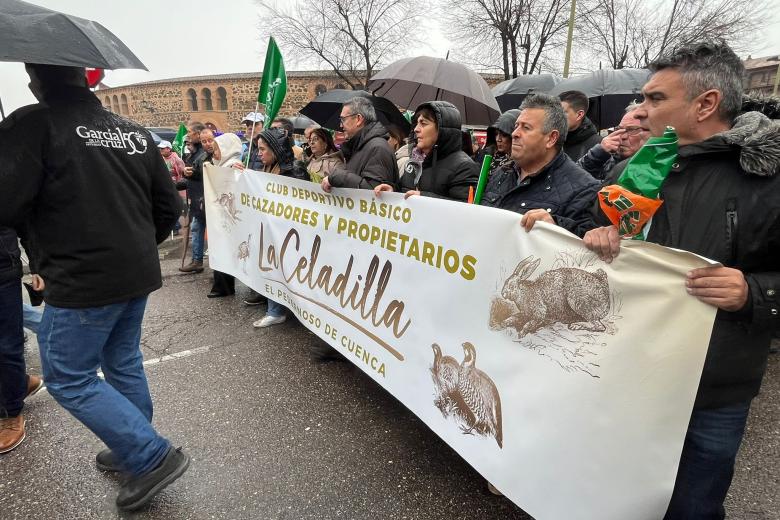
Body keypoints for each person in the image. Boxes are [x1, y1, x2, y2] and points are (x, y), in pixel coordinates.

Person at [582, 41, 780, 520]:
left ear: (706, 103)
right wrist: (594, 233)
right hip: (628, 371)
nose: (640, 111)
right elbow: (597, 226)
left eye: (654, 99)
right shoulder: (635, 168)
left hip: (712, 390)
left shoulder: (767, 178)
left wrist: (753, 293)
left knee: (693, 506)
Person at [0, 64, 188, 510]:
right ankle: (133, 442)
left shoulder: (34, 123)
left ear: (36, 82)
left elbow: (5, 205)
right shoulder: (132, 131)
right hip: (135, 272)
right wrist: (137, 247)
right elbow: (168, 205)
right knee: (121, 361)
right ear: (84, 80)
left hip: (82, 278)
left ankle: (148, 454)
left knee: (67, 377)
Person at [480, 93, 601, 238]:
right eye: (516, 126)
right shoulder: (501, 173)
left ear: (551, 138)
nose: (514, 134)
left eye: (526, 128)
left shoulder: (583, 190)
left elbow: (585, 246)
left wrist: (556, 226)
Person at [251, 127, 308, 328]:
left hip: (291, 234)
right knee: (273, 268)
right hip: (273, 232)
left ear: (275, 150)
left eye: (263, 149)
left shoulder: (295, 171)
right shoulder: (266, 169)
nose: (259, 153)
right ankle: (275, 310)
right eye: (258, 149)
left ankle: (293, 310)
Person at [374, 101, 478, 201]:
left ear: (442, 129)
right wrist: (393, 191)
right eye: (416, 123)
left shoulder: (464, 167)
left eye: (423, 123)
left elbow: (465, 209)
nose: (416, 129)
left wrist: (424, 198)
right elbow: (405, 191)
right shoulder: (415, 160)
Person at [0, 226, 43, 453]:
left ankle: (11, 412)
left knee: (7, 346)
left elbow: (25, 217)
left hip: (2, 269)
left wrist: (37, 266)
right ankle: (19, 383)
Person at [320, 97, 399, 192]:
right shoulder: (360, 146)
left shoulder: (378, 148)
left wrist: (339, 177)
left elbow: (374, 194)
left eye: (343, 119)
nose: (341, 125)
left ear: (358, 119)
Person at [207, 133, 245, 298]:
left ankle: (224, 287)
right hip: (222, 214)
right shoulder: (221, 164)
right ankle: (222, 286)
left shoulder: (234, 165)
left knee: (225, 249)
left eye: (217, 149)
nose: (214, 153)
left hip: (229, 215)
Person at [577, 103, 650, 181]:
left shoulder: (656, 170)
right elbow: (575, 179)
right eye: (619, 129)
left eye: (632, 130)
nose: (622, 136)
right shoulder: (608, 158)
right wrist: (597, 154)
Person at [180, 122, 209, 273]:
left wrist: (190, 173)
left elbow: (204, 173)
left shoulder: (203, 154)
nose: (188, 136)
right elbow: (191, 176)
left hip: (204, 199)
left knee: (204, 229)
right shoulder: (194, 154)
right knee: (197, 228)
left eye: (191, 133)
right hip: (197, 198)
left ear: (198, 134)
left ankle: (201, 260)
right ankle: (197, 260)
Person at [558, 90, 601, 161]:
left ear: (579, 115)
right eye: (555, 111)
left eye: (562, 112)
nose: (556, 116)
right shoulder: (552, 139)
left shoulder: (598, 146)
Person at [475, 109, 520, 175]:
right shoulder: (486, 155)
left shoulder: (520, 164)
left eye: (504, 135)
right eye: (496, 134)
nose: (498, 139)